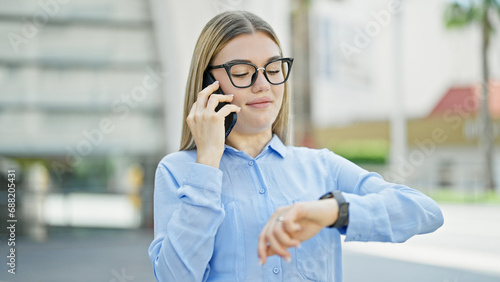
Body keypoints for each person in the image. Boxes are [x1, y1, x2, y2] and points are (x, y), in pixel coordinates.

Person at [148, 10, 444, 282]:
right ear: (208, 84)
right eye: (242, 72)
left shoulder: (322, 166)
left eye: (274, 69)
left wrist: (331, 210)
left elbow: (425, 211)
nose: (263, 84)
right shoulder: (178, 171)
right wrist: (208, 161)